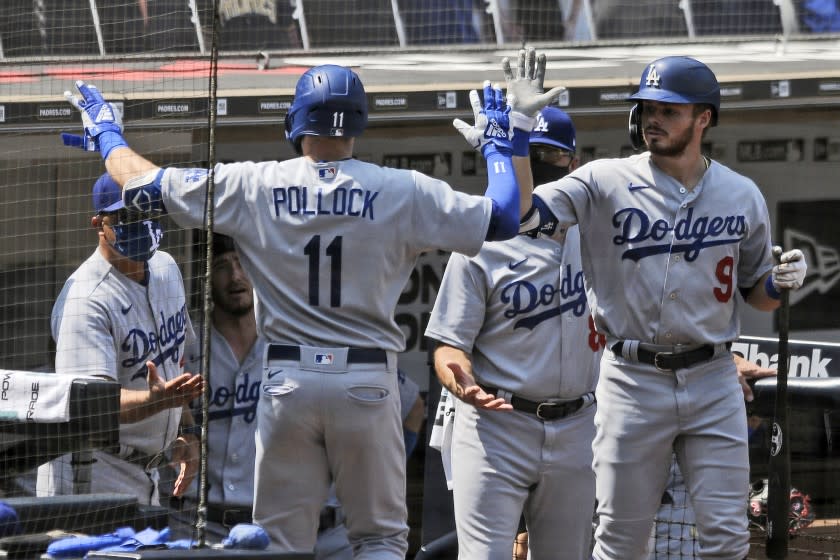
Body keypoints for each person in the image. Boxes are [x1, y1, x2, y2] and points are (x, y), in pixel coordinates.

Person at [61, 52, 560, 556]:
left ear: (296, 120)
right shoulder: (401, 188)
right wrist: (508, 139)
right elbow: (506, 216)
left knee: (275, 543)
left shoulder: (254, 183)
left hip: (286, 384)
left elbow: (143, 187)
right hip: (366, 382)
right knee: (380, 538)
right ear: (359, 123)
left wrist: (108, 135)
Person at [510, 55, 808, 559]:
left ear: (703, 118)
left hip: (714, 376)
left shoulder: (741, 193)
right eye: (648, 108)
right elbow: (517, 215)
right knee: (621, 541)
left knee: (728, 538)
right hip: (631, 377)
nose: (654, 118)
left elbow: (756, 290)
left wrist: (781, 284)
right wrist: (516, 136)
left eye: (670, 110)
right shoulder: (603, 179)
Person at [177, 233, 426, 559]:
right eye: (222, 266)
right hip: (205, 527)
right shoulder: (190, 343)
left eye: (242, 263)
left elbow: (411, 405)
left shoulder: (301, 334)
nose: (236, 276)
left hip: (308, 532)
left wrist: (365, 476)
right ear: (205, 275)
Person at [426, 104, 598, 560]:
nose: (536, 167)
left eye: (548, 155)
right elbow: (449, 346)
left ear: (574, 165)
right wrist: (459, 379)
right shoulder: (483, 243)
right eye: (527, 153)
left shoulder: (601, 239)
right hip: (498, 424)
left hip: (579, 424)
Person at [37, 172, 204, 507]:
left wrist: (186, 432)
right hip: (93, 473)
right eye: (127, 216)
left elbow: (174, 368)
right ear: (99, 223)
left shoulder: (167, 268)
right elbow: (92, 408)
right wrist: (157, 402)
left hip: (148, 472)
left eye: (148, 212)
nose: (141, 223)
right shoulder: (85, 300)